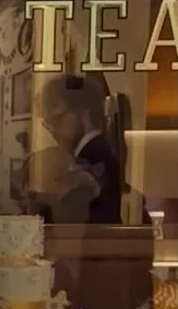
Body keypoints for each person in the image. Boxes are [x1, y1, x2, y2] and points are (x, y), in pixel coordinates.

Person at [39, 73, 122, 226]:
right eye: (47, 122)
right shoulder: (98, 153)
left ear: (84, 112)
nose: (52, 129)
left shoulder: (95, 159)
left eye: (57, 118)